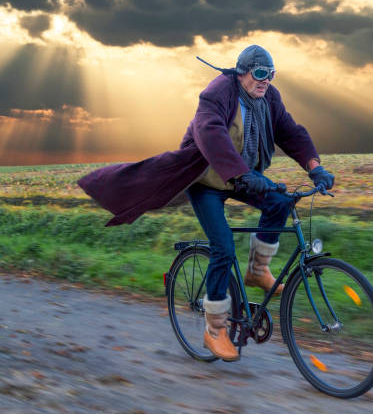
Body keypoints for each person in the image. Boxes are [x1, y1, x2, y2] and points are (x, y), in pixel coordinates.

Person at [78, 45, 334, 362]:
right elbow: (209, 131)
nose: (266, 80)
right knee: (223, 247)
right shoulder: (219, 92)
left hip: (242, 178)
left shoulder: (268, 97)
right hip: (205, 181)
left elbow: (291, 132)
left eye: (271, 74)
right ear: (242, 72)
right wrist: (242, 172)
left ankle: (257, 270)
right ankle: (215, 330)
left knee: (281, 201)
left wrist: (315, 167)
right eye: (260, 73)